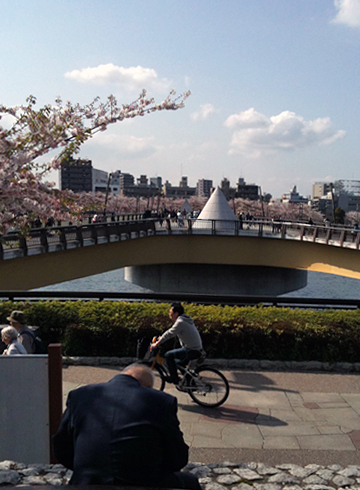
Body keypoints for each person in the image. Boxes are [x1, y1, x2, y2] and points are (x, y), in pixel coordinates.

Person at [53, 363, 200, 489]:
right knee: (190, 481)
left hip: (87, 483)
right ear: (147, 387)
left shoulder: (80, 395)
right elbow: (178, 458)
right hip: (143, 483)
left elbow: (61, 448)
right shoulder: (161, 401)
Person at [151, 303, 203, 385]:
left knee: (168, 355)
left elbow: (170, 333)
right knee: (179, 363)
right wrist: (162, 339)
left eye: (170, 313)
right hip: (194, 348)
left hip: (191, 350)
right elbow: (172, 333)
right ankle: (190, 382)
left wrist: (157, 343)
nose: (169, 315)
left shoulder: (181, 322)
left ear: (176, 313)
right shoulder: (185, 319)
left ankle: (174, 378)